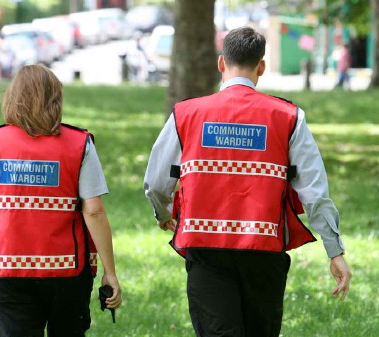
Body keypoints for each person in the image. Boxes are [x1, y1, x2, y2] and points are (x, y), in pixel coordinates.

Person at [144, 27, 351, 337]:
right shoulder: (288, 117)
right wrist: (334, 251)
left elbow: (156, 183)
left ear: (220, 63)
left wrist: (164, 214)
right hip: (263, 249)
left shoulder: (185, 113)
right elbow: (314, 191)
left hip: (205, 246)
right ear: (262, 66)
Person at [0, 64, 122, 337]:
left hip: (7, 268)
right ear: (56, 99)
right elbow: (93, 212)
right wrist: (110, 272)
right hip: (67, 270)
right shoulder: (79, 143)